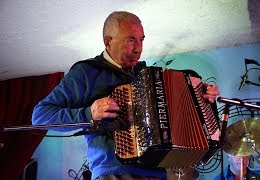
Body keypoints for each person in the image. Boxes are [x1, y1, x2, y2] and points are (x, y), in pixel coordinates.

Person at [32, 11, 221, 180]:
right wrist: (89, 114)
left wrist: (200, 97)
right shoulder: (85, 73)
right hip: (115, 172)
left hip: (159, 172)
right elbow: (40, 116)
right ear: (108, 41)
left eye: (141, 40)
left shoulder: (146, 75)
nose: (138, 48)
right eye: (130, 40)